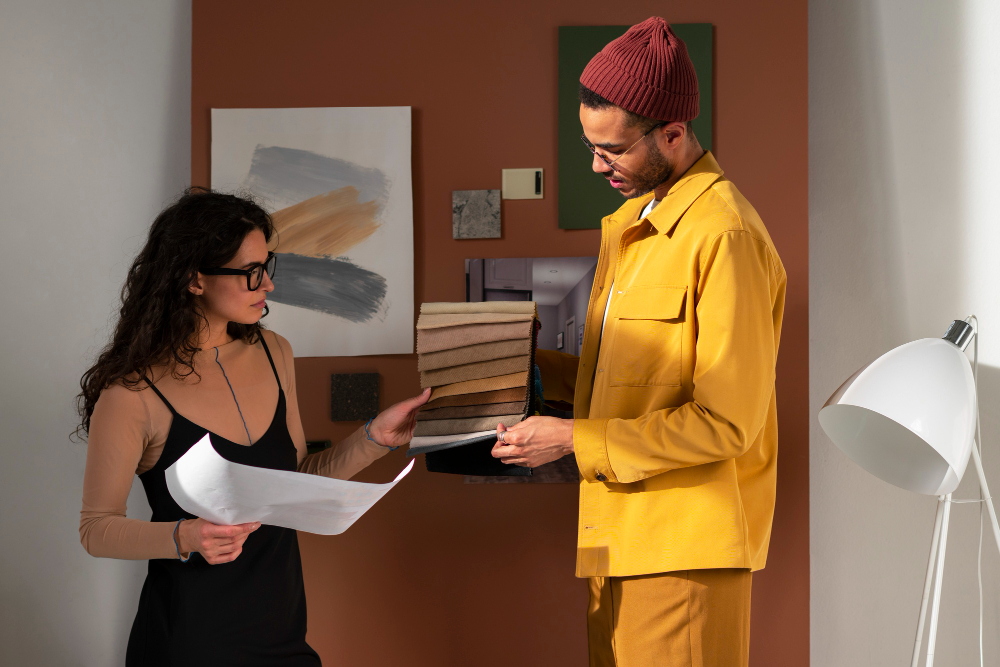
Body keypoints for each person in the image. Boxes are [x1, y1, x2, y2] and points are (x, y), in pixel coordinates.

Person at [492, 17, 786, 667]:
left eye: (614, 150)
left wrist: (572, 439)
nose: (597, 165)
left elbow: (727, 423)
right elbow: (627, 379)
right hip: (618, 540)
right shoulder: (635, 225)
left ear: (673, 134)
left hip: (685, 553)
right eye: (590, 145)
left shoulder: (725, 235)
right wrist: (521, 366)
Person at [77, 188, 429, 666]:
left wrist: (374, 439)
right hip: (188, 645)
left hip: (282, 635)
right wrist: (184, 538)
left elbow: (296, 482)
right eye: (250, 272)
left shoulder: (274, 351)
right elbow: (96, 529)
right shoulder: (132, 394)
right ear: (194, 279)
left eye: (267, 266)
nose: (268, 285)